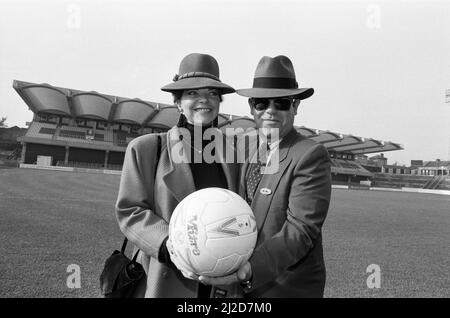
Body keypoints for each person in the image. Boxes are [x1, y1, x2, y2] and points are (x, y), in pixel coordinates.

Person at [199, 55, 332, 297]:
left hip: (284, 289)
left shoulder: (310, 155)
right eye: (262, 103)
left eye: (281, 103)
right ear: (251, 107)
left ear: (295, 106)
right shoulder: (243, 146)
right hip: (236, 287)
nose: (270, 110)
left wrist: (250, 269)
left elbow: (300, 230)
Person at [115, 53, 239, 298]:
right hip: (168, 275)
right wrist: (170, 244)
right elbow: (130, 211)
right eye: (193, 93)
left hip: (221, 280)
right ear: (178, 102)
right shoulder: (147, 148)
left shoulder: (235, 155)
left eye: (212, 93)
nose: (204, 100)